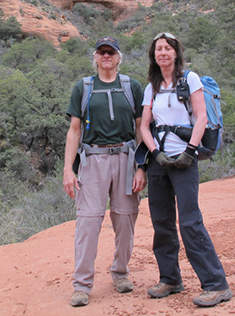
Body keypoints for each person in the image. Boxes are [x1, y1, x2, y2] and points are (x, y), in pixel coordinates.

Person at [139, 32, 232, 308]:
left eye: (168, 48)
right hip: (160, 162)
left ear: (176, 53)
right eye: (158, 49)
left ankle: (216, 284)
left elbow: (201, 117)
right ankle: (170, 279)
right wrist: (155, 154)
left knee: (190, 222)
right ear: (153, 55)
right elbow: (144, 126)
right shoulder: (151, 87)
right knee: (162, 223)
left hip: (184, 160)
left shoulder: (189, 79)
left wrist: (190, 152)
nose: (163, 53)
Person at [63, 36, 147, 307]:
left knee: (125, 219)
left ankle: (120, 272)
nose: (106, 56)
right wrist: (67, 169)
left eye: (111, 52)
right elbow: (74, 130)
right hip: (93, 160)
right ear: (96, 57)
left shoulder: (132, 87)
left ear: (119, 57)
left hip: (126, 157)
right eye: (102, 52)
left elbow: (140, 129)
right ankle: (82, 285)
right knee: (88, 221)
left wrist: (141, 167)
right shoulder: (83, 87)